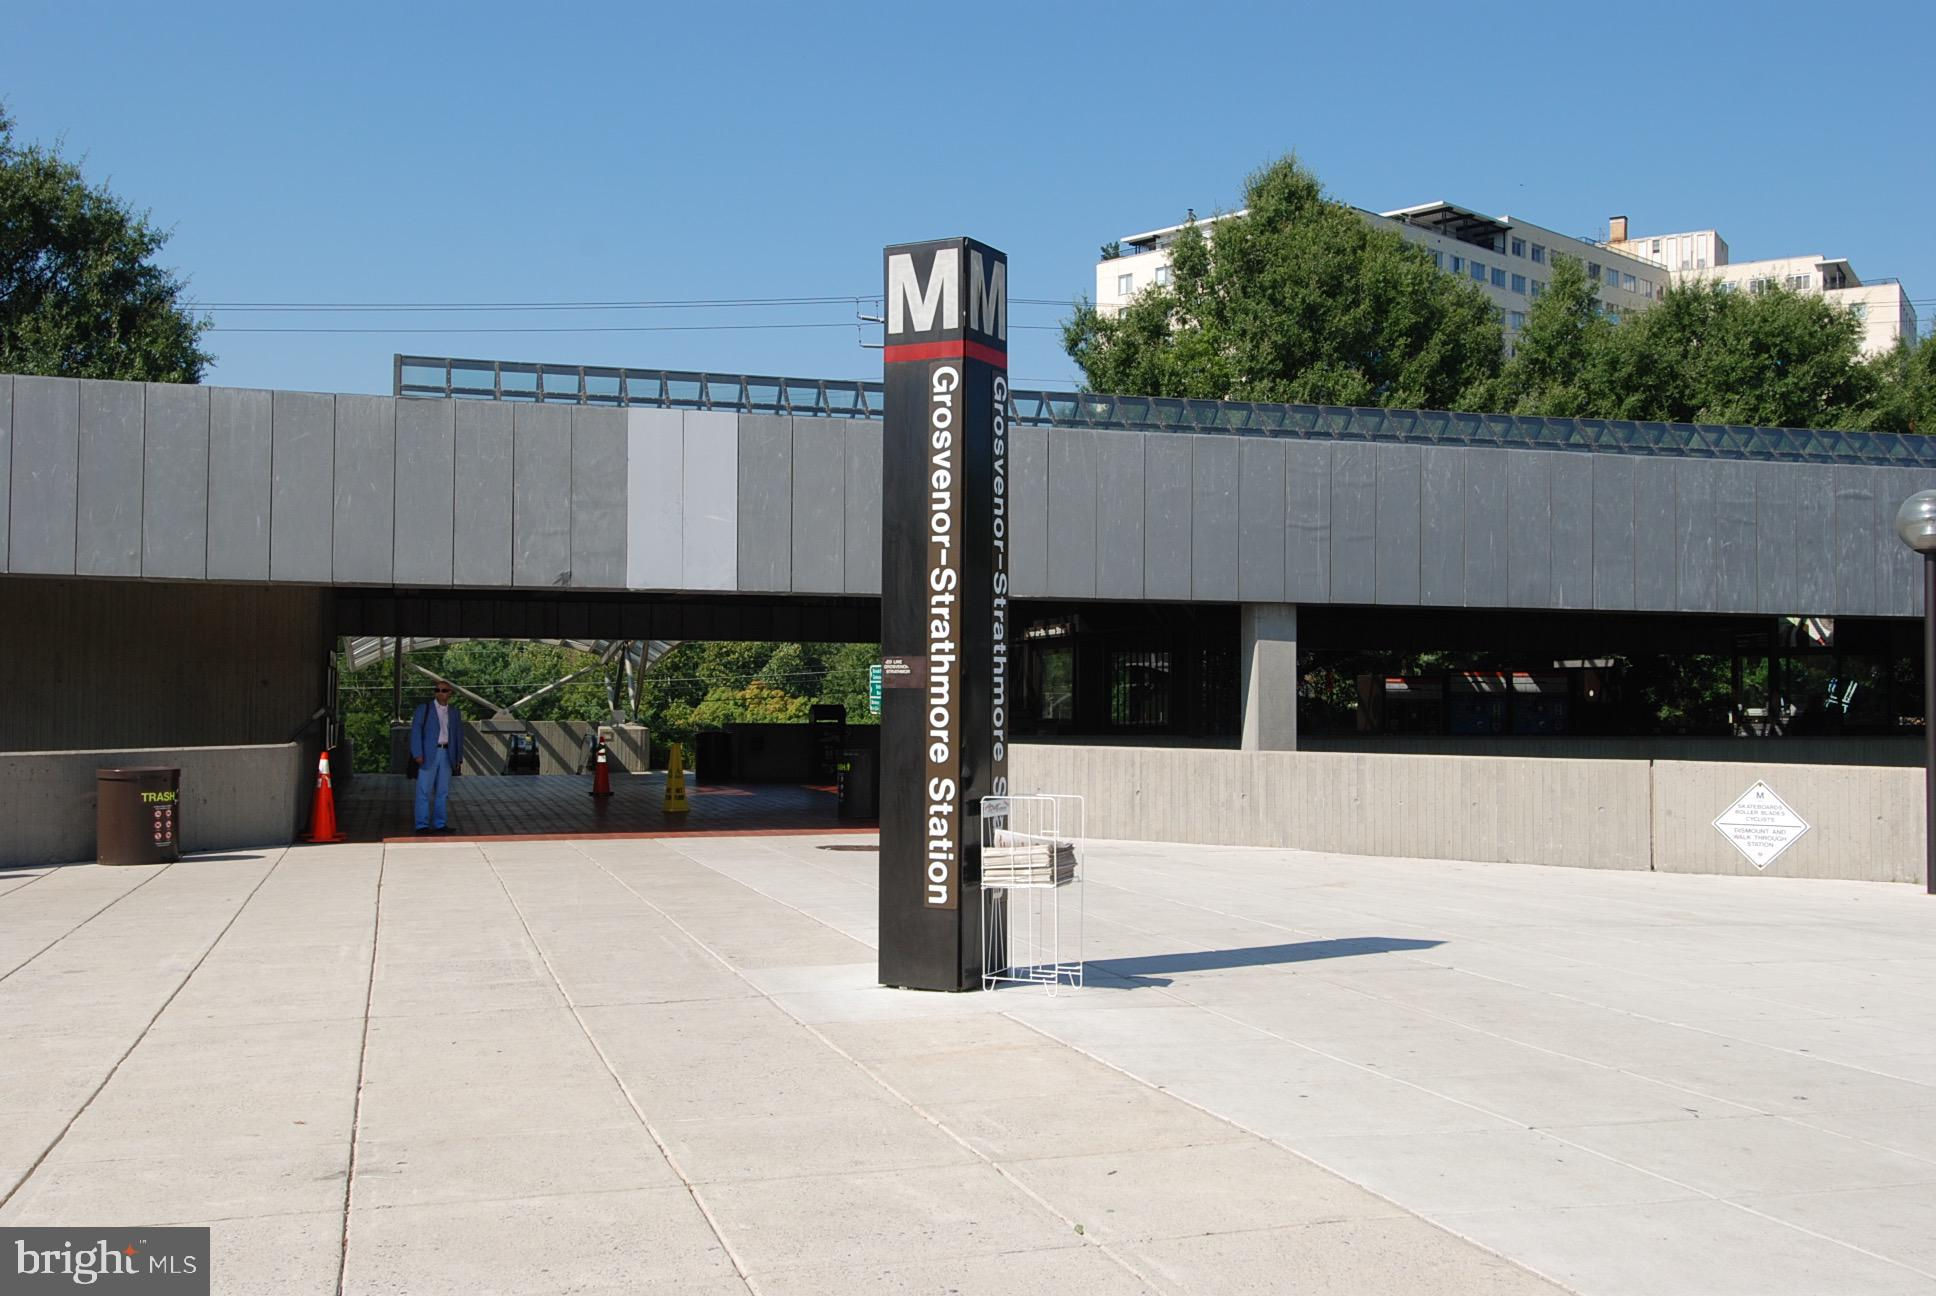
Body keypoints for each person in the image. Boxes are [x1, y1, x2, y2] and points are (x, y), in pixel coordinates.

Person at [409, 680, 465, 834]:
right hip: (428, 754)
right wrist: (417, 753)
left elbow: (458, 735)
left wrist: (458, 757)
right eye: (437, 690)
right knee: (423, 791)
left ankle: (440, 824)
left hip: (447, 753)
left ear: (450, 693)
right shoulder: (424, 709)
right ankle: (421, 825)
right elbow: (416, 731)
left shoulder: (454, 712)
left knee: (443, 792)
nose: (440, 693)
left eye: (444, 690)